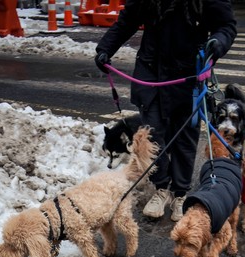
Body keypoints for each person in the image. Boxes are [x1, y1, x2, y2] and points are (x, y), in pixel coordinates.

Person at [95, 0, 237, 221]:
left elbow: (226, 25)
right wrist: (105, 48)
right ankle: (161, 188)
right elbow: (128, 19)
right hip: (151, 72)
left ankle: (180, 193)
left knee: (184, 138)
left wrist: (218, 42)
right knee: (153, 136)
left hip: (189, 75)